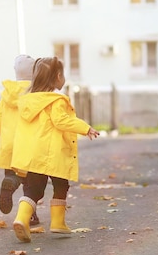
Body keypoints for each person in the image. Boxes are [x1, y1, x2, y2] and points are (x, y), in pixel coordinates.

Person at [10, 56, 99, 243]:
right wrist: (85, 128)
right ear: (58, 76)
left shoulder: (27, 101)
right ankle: (58, 223)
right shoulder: (56, 100)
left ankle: (22, 219)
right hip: (54, 154)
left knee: (34, 190)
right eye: (63, 74)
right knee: (61, 185)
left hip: (34, 156)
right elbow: (61, 121)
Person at [0, 54, 39, 224]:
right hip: (30, 145)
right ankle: (29, 214)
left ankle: (10, 180)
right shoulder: (37, 93)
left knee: (12, 172)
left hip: (10, 146)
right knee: (31, 184)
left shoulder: (7, 94)